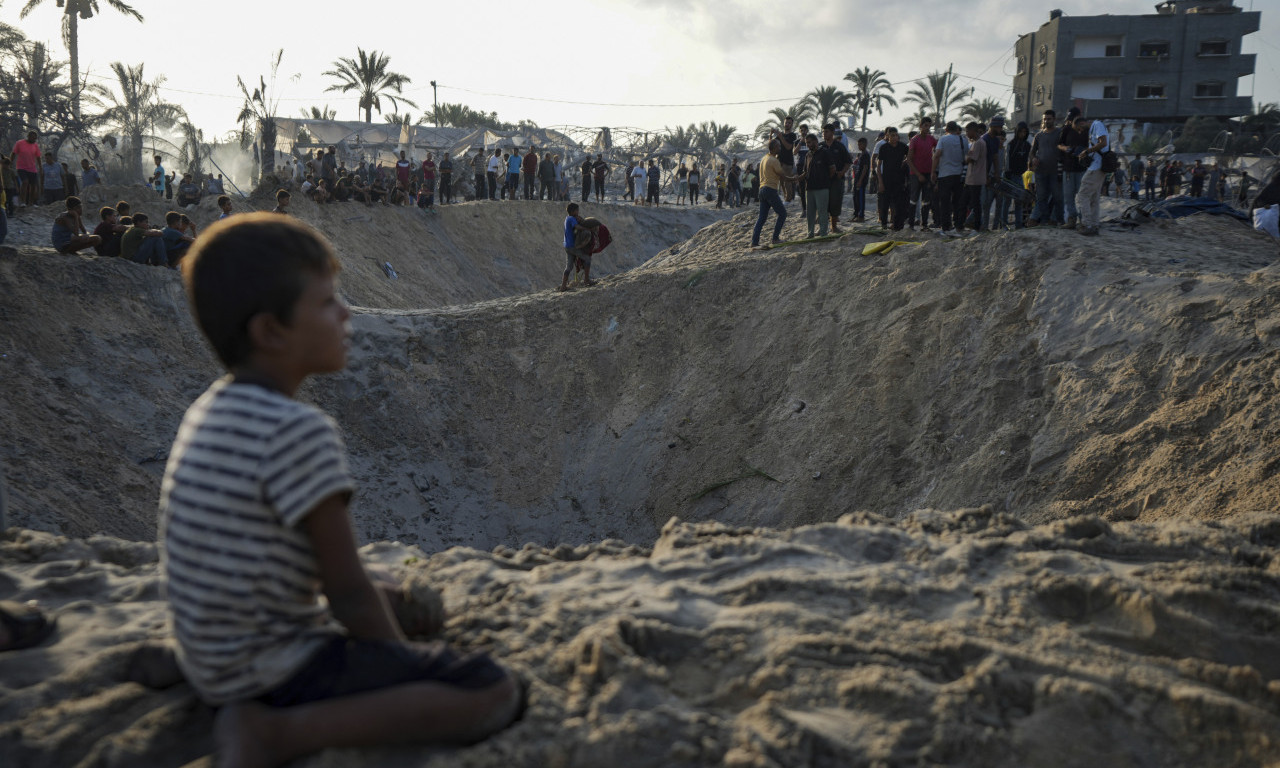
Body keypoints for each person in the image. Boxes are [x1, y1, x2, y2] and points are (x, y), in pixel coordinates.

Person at [164, 213, 520, 767]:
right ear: (271, 331)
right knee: (489, 688)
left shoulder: (208, 411)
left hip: (210, 657)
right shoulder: (298, 431)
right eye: (329, 302)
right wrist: (401, 670)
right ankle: (275, 735)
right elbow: (348, 594)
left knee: (392, 594)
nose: (347, 313)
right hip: (273, 670)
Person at [750, 138, 795, 249]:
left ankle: (754, 242)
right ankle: (775, 238)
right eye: (779, 146)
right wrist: (796, 178)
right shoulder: (774, 161)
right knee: (782, 214)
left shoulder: (764, 158)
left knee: (762, 217)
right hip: (770, 189)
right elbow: (783, 176)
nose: (780, 148)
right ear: (774, 148)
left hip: (762, 190)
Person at [931, 121, 969, 237]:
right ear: (957, 129)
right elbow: (966, 157)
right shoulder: (964, 140)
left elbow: (937, 155)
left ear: (946, 129)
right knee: (957, 202)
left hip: (945, 175)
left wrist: (933, 171)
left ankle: (946, 226)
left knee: (945, 202)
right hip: (958, 175)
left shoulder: (943, 139)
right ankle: (957, 225)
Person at [1028, 110, 1063, 227]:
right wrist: (1033, 159)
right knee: (1041, 198)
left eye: (1049, 119)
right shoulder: (1039, 135)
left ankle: (1056, 219)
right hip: (1041, 172)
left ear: (1054, 119)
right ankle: (1045, 220)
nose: (1046, 121)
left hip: (1055, 172)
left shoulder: (1059, 133)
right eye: (1045, 119)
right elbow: (1032, 152)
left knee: (1057, 197)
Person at [1056, 107, 1087, 229]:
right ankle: (1071, 219)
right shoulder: (1066, 129)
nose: (1070, 121)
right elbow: (1059, 144)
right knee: (1068, 196)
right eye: (1070, 119)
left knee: (1082, 196)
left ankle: (1084, 220)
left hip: (1082, 168)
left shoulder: (1087, 130)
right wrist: (1066, 149)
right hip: (1068, 168)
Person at [559, 202, 599, 291]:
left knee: (569, 267)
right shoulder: (572, 219)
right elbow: (577, 227)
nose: (578, 212)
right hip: (573, 246)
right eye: (577, 210)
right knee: (587, 259)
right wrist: (588, 229)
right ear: (573, 211)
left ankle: (563, 286)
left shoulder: (567, 218)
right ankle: (586, 280)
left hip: (567, 246)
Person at [906, 117, 937, 230]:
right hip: (916, 173)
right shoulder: (914, 140)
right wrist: (918, 174)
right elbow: (909, 159)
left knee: (926, 200)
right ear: (920, 126)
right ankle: (911, 224)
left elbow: (937, 149)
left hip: (928, 172)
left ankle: (924, 224)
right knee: (914, 198)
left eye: (929, 126)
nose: (927, 128)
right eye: (925, 126)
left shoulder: (931, 139)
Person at [876, 127, 910, 231]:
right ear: (888, 136)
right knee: (884, 204)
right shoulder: (884, 148)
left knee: (899, 204)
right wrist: (880, 182)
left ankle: (896, 225)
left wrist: (905, 162)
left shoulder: (903, 147)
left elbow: (910, 157)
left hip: (899, 180)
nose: (894, 137)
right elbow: (879, 165)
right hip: (886, 179)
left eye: (896, 135)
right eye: (892, 135)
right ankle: (884, 224)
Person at [802, 134, 833, 238]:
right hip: (809, 188)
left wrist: (825, 179)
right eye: (806, 143)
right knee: (810, 213)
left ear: (816, 141)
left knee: (822, 211)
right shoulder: (808, 155)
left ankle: (824, 233)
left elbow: (832, 169)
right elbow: (805, 171)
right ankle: (810, 233)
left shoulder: (825, 152)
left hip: (822, 187)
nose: (808, 145)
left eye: (809, 142)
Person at [823, 124, 852, 234]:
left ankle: (834, 226)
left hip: (837, 180)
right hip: (824, 180)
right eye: (823, 131)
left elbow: (848, 162)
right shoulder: (821, 146)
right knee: (823, 204)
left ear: (832, 132)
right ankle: (822, 227)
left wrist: (842, 172)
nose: (824, 134)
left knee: (835, 202)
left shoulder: (839, 146)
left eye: (826, 131)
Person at [1002, 122, 1031, 229]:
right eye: (1021, 132)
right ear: (1017, 132)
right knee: (1007, 201)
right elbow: (1007, 160)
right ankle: (1004, 224)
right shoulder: (1011, 144)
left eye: (1024, 132)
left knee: (1019, 201)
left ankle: (1018, 224)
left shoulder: (1027, 145)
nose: (1022, 134)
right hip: (1010, 175)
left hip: (1021, 176)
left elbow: (1028, 160)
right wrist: (1007, 173)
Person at [962, 122, 988, 232]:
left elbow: (970, 159)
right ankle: (964, 225)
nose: (967, 134)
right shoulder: (975, 142)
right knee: (966, 202)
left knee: (975, 204)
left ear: (973, 131)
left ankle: (977, 227)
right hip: (971, 178)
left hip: (975, 178)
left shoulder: (978, 143)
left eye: (968, 131)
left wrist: (966, 156)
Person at [12, 131, 42, 207]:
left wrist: (40, 167)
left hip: (32, 168)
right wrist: (10, 162)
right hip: (21, 167)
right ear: (28, 136)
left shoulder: (35, 145)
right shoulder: (19, 143)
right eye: (33, 138)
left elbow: (38, 157)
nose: (34, 139)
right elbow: (14, 153)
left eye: (35, 138)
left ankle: (31, 203)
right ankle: (23, 201)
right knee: (25, 182)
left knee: (33, 185)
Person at [773, 116, 797, 202]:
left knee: (787, 182)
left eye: (789, 123)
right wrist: (771, 134)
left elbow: (788, 147)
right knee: (781, 181)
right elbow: (771, 145)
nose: (787, 124)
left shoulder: (792, 135)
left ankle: (788, 199)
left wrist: (781, 137)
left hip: (788, 162)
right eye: (786, 122)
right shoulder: (780, 135)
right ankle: (786, 197)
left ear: (792, 124)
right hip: (779, 161)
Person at [851, 137, 870, 222]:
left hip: (861, 180)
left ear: (865, 144)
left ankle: (861, 216)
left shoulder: (865, 154)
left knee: (860, 198)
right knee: (856, 197)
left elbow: (865, 168)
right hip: (857, 179)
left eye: (860, 144)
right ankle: (856, 214)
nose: (859, 146)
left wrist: (860, 180)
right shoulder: (861, 154)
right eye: (858, 144)